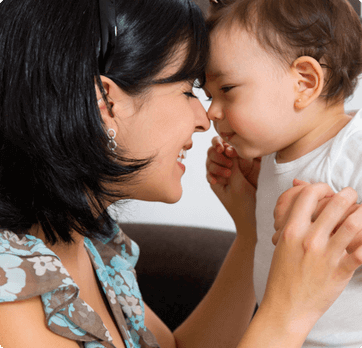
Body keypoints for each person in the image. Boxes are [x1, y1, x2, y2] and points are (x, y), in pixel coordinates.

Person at [1, 0, 362, 347]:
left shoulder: (94, 242)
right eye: (189, 90)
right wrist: (288, 315)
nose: (205, 119)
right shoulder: (9, 295)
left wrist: (253, 230)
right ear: (105, 104)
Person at [205, 0, 362, 346]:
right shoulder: (273, 155)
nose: (212, 112)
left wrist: (346, 236)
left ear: (305, 82)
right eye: (208, 95)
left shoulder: (353, 151)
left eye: (227, 90)